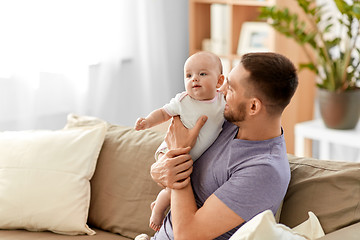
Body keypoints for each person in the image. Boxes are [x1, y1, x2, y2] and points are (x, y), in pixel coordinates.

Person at [148, 52, 298, 240]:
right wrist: (161, 167)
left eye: (231, 88)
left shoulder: (264, 170)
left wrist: (178, 156)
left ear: (253, 107)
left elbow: (187, 236)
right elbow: (166, 153)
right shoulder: (224, 121)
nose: (221, 90)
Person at [134, 51, 226, 231]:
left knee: (181, 184)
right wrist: (147, 122)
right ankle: (158, 211)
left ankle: (158, 205)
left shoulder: (223, 101)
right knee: (174, 177)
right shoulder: (183, 100)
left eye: (202, 74)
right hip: (169, 150)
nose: (194, 79)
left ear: (219, 81)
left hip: (189, 160)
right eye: (189, 75)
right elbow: (163, 113)